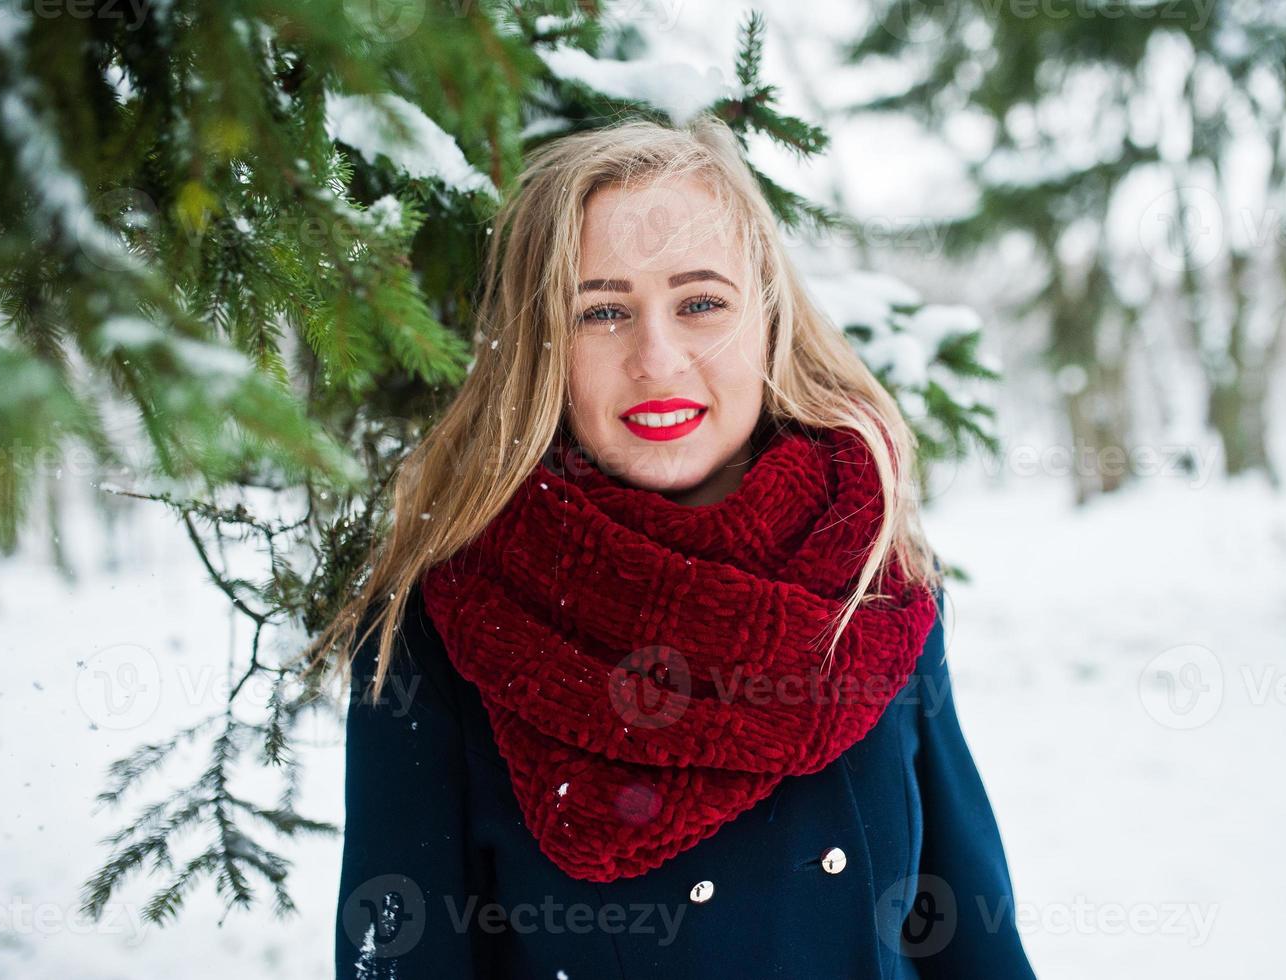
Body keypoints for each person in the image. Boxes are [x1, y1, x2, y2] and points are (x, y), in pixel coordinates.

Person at [313, 112, 1037, 979]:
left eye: (700, 303)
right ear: (540, 345)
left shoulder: (871, 572)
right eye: (601, 311)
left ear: (767, 317)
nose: (655, 359)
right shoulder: (440, 624)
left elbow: (966, 933)